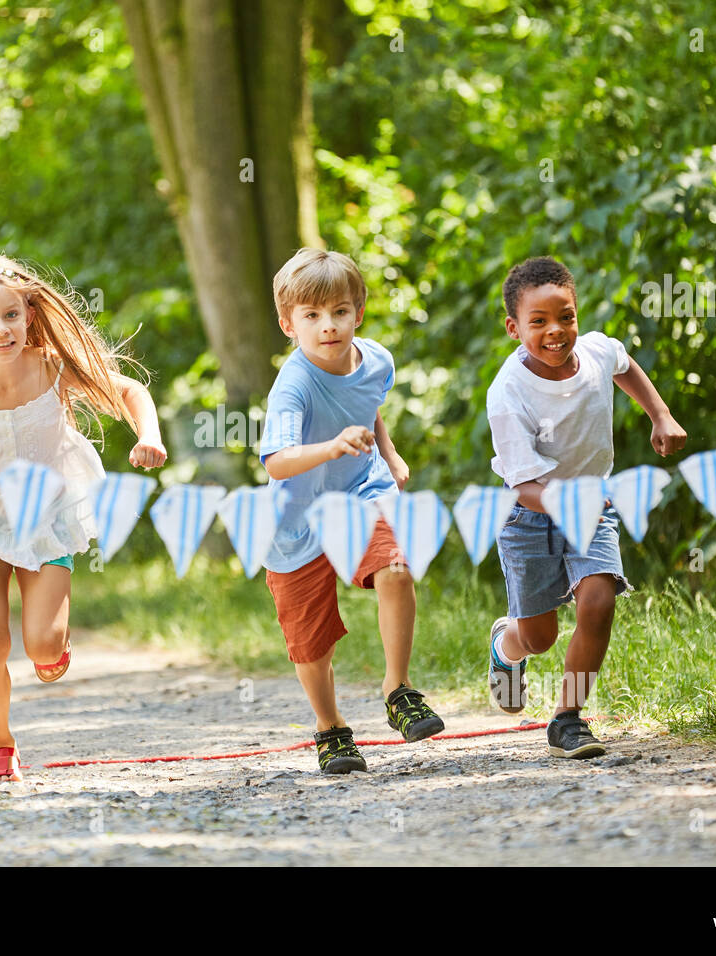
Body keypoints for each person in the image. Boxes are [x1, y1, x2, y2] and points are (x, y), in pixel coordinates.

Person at [0, 255, 166, 783]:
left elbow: (130, 391)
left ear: (29, 317)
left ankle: (51, 646)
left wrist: (147, 434)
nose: (1, 329)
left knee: (42, 643)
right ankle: (0, 745)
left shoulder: (52, 367)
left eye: (11, 316)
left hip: (46, 517)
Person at [486, 256, 687, 757]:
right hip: (530, 516)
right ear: (514, 328)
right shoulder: (508, 393)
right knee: (540, 637)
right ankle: (505, 645)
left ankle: (567, 720)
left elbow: (625, 364)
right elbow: (523, 484)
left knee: (598, 601)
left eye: (566, 317)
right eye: (539, 322)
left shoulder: (596, 352)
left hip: (593, 505)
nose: (556, 331)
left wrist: (659, 415)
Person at [259, 247, 444, 775]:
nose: (328, 326)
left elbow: (369, 405)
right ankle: (331, 728)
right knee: (310, 643)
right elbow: (277, 462)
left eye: (340, 311)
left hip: (363, 492)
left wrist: (389, 453)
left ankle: (398, 689)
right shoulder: (292, 386)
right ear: (288, 324)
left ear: (358, 313)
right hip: (298, 521)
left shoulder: (377, 359)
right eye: (312, 316)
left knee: (396, 569)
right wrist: (333, 445)